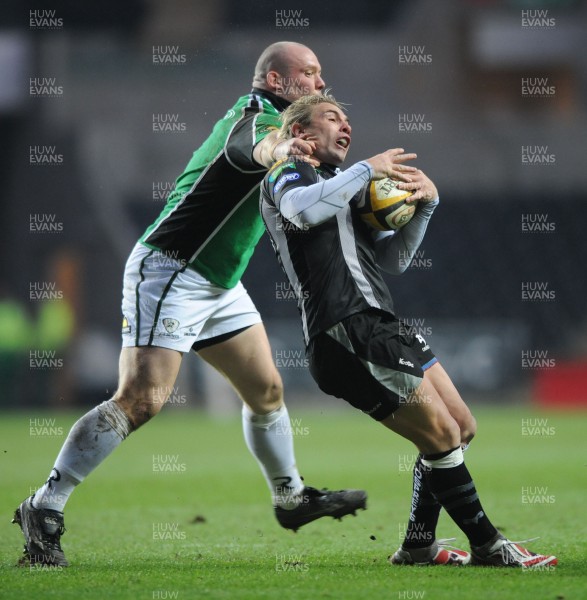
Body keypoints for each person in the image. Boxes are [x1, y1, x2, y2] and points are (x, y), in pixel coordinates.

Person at [13, 43, 367, 568]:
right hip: (171, 270)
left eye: (321, 73)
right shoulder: (255, 119)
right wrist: (282, 152)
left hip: (219, 283)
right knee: (142, 400)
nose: (320, 83)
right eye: (308, 74)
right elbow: (261, 147)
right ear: (275, 80)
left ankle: (290, 498)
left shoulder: (289, 129)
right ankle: (45, 504)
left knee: (267, 390)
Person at [260, 93, 557, 568]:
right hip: (343, 329)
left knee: (459, 428)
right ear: (302, 134)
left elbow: (394, 260)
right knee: (439, 434)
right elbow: (299, 212)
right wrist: (366, 168)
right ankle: (489, 545)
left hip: (381, 323)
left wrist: (426, 208)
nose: (346, 125)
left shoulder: (345, 186)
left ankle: (420, 544)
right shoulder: (290, 173)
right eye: (332, 118)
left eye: (348, 118)